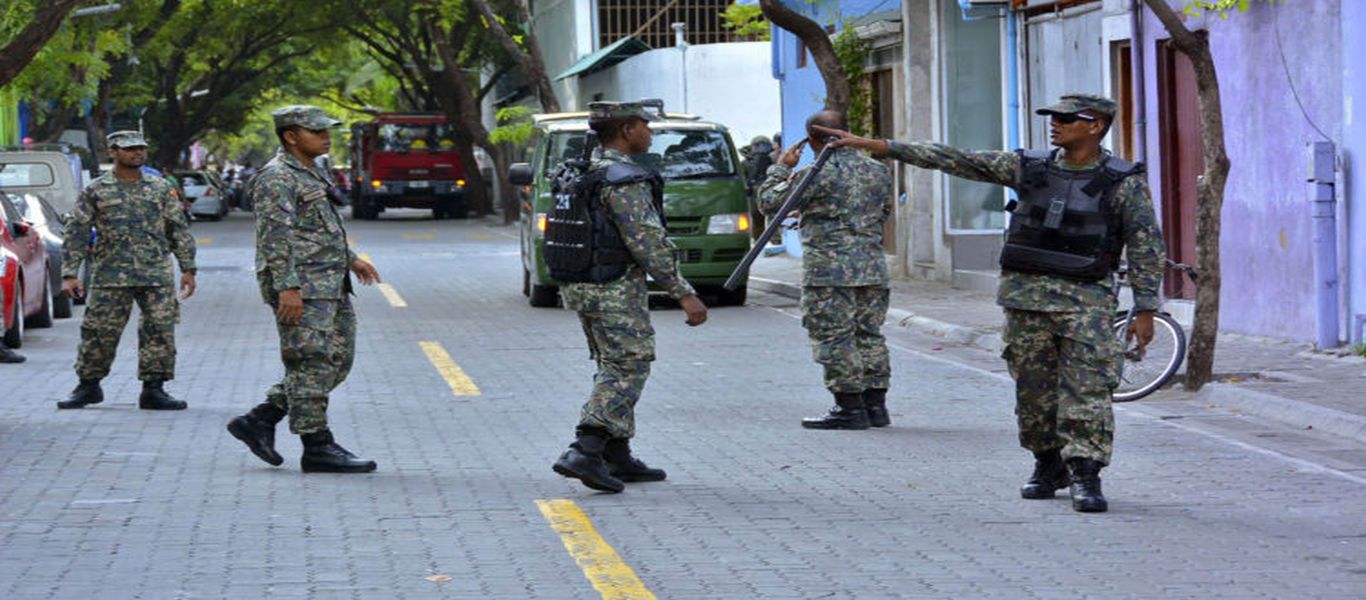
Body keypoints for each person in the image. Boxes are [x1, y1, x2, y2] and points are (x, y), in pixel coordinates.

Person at [814, 93, 1166, 513]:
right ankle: (1046, 464)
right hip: (1025, 302)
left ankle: (1086, 473)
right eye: (1053, 116)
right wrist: (884, 147)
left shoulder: (1122, 181)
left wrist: (1145, 309)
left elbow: (1146, 246)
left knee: (1087, 391)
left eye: (1068, 118)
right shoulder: (1028, 167)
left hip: (1086, 303)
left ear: (1096, 126)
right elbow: (956, 159)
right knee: (1033, 394)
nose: (1055, 123)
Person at [551, 101, 709, 493]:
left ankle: (617, 456)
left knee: (611, 361)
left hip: (582, 284)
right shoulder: (623, 178)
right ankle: (585, 449)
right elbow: (647, 241)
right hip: (614, 287)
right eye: (645, 126)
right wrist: (684, 294)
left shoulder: (579, 169)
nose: (650, 133)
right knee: (628, 365)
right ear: (626, 131)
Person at [226, 105, 382, 474]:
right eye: (316, 131)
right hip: (302, 286)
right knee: (311, 360)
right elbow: (275, 238)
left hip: (329, 282)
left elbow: (317, 230)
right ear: (290, 136)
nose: (326, 137)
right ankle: (317, 446)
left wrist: (350, 258)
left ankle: (260, 418)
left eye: (327, 130)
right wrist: (288, 289)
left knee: (336, 360)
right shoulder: (276, 177)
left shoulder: (311, 172)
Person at [758, 110, 894, 431]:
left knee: (835, 337)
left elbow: (769, 202)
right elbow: (882, 212)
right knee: (869, 335)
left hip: (829, 272)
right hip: (872, 266)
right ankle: (876, 406)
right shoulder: (877, 170)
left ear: (812, 138)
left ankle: (849, 407)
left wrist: (780, 168)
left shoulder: (816, 172)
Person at [57, 130, 197, 410]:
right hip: (111, 274)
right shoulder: (96, 189)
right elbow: (77, 231)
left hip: (155, 273)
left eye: (141, 148)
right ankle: (88, 386)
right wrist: (70, 273)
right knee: (98, 331)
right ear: (113, 152)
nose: (137, 153)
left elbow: (177, 229)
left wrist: (188, 268)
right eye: (130, 148)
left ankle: (154, 389)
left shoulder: (159, 188)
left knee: (159, 330)